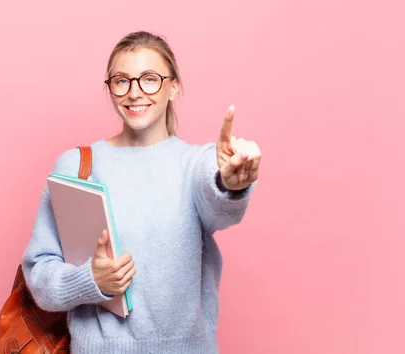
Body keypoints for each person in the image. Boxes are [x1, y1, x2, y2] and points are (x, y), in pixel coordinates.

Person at [21, 30, 262, 353]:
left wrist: (230, 184)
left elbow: (218, 206)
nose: (135, 93)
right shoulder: (77, 165)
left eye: (149, 79)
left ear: (173, 86)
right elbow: (40, 276)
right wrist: (90, 281)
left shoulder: (198, 164)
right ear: (110, 89)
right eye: (122, 81)